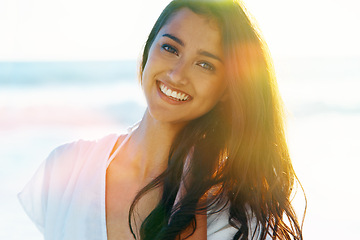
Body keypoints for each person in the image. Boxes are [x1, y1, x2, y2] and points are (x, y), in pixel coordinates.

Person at [18, 0, 305, 239]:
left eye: (205, 64)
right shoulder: (65, 169)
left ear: (227, 89)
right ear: (148, 48)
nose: (177, 74)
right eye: (170, 48)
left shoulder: (238, 211)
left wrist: (192, 196)